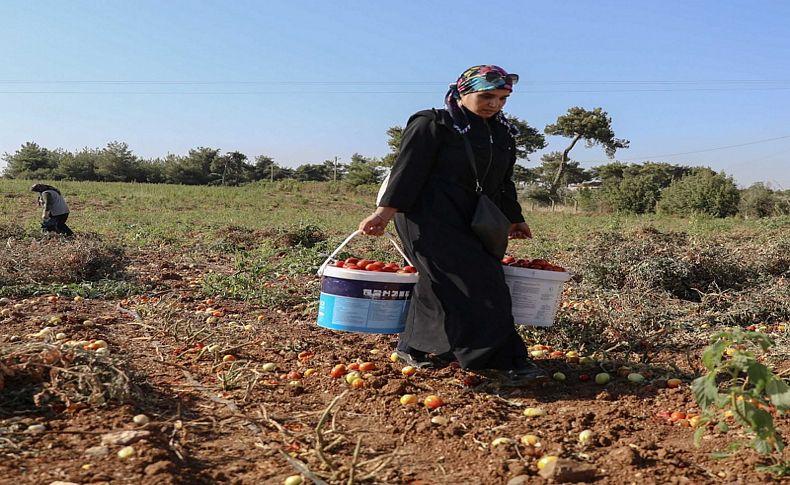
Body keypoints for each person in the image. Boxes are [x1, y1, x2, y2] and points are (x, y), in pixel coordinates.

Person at [358, 65, 546, 386]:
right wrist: (382, 214)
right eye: (487, 96)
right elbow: (408, 172)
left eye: (502, 98)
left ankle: (415, 346)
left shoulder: (500, 132)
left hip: (474, 218)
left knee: (437, 283)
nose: (495, 104)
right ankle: (497, 358)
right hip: (426, 216)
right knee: (482, 282)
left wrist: (515, 218)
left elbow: (502, 182)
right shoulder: (433, 124)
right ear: (463, 91)